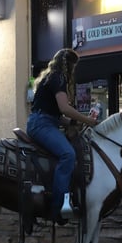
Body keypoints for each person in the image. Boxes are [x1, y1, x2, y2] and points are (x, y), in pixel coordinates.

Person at [27, 48, 98, 225]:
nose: (73, 71)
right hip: (42, 124)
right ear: (69, 65)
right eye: (73, 67)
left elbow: (55, 114)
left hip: (43, 122)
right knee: (68, 154)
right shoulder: (58, 77)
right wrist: (87, 120)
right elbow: (64, 108)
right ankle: (58, 206)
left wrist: (74, 123)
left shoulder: (48, 77)